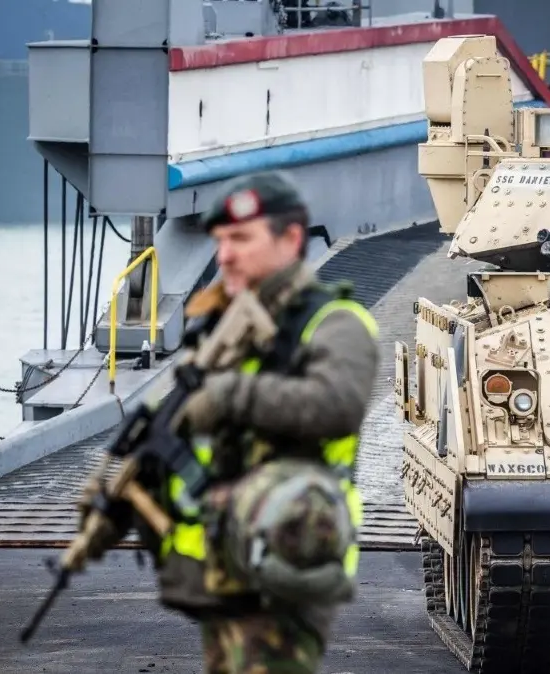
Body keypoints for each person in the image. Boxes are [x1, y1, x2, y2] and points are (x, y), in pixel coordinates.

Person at [136, 170, 378, 673]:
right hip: (232, 560)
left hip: (291, 550)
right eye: (220, 241)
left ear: (291, 240)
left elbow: (337, 405)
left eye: (240, 239)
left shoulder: (334, 322)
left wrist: (226, 394)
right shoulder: (231, 327)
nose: (223, 255)